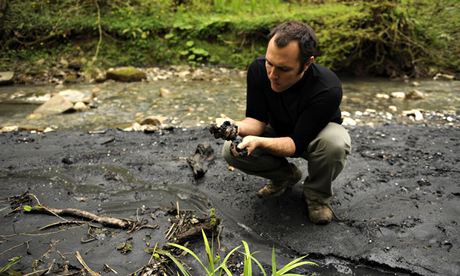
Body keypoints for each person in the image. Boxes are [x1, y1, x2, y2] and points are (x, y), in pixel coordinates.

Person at [218, 21, 351, 225]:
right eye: (269, 63)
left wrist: (260, 143)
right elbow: (256, 122)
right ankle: (285, 176)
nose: (272, 74)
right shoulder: (258, 70)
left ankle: (316, 197)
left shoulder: (327, 88)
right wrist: (233, 126)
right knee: (231, 150)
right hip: (279, 129)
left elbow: (295, 146)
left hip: (314, 137)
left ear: (307, 64)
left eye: (283, 69)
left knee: (336, 142)